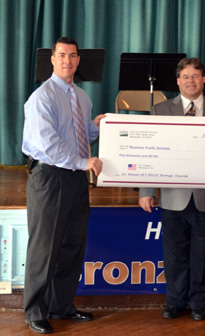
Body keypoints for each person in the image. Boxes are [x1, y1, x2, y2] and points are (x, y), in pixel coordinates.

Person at [22, 37, 105, 334]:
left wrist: (101, 125)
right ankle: (34, 310)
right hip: (50, 178)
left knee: (72, 245)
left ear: (78, 60)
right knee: (45, 248)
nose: (67, 60)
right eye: (62, 55)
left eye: (72, 55)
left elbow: (83, 135)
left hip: (75, 178)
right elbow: (49, 144)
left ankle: (61, 305)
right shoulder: (41, 98)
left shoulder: (81, 97)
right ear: (53, 60)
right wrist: (84, 163)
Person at [139, 57, 205, 321]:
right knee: (175, 254)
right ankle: (175, 301)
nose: (191, 81)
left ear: (204, 80)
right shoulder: (159, 110)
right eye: (186, 76)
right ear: (178, 80)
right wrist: (147, 190)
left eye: (196, 76)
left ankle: (200, 302)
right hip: (172, 196)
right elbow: (149, 153)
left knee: (204, 254)